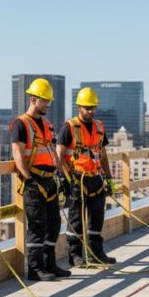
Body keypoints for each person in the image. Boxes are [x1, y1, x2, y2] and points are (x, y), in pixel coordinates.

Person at [10, 78, 70, 281]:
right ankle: (35, 268)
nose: (48, 105)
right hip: (34, 180)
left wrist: (61, 175)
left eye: (49, 101)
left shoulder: (47, 125)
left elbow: (53, 151)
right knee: (37, 225)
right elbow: (17, 153)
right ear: (33, 99)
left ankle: (49, 263)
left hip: (49, 179)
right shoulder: (21, 124)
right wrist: (28, 179)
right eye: (44, 101)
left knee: (53, 222)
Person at [57, 87, 115, 267]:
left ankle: (97, 253)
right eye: (86, 107)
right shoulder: (70, 127)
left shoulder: (99, 126)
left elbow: (102, 155)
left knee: (97, 218)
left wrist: (109, 178)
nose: (90, 111)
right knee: (76, 219)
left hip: (96, 178)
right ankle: (75, 255)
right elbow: (58, 154)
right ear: (79, 107)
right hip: (77, 179)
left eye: (92, 107)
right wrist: (63, 178)